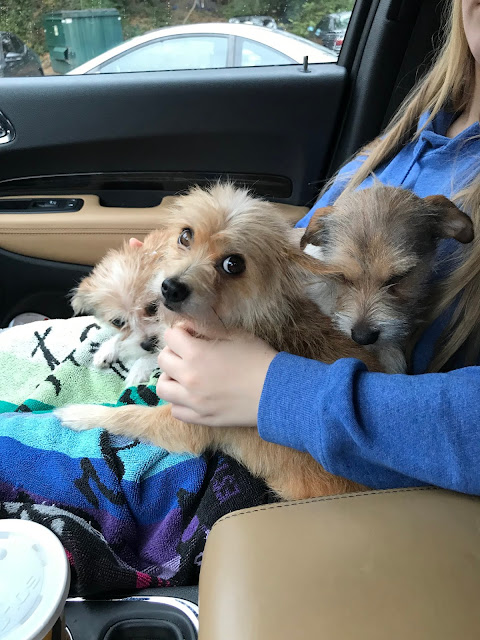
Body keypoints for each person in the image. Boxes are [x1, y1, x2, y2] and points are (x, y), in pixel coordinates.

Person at [155, 0, 480, 496]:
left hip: (323, 457)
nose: (366, 311)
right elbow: (292, 255)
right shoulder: (409, 134)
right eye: (343, 277)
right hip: (223, 389)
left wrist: (274, 389)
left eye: (397, 280)